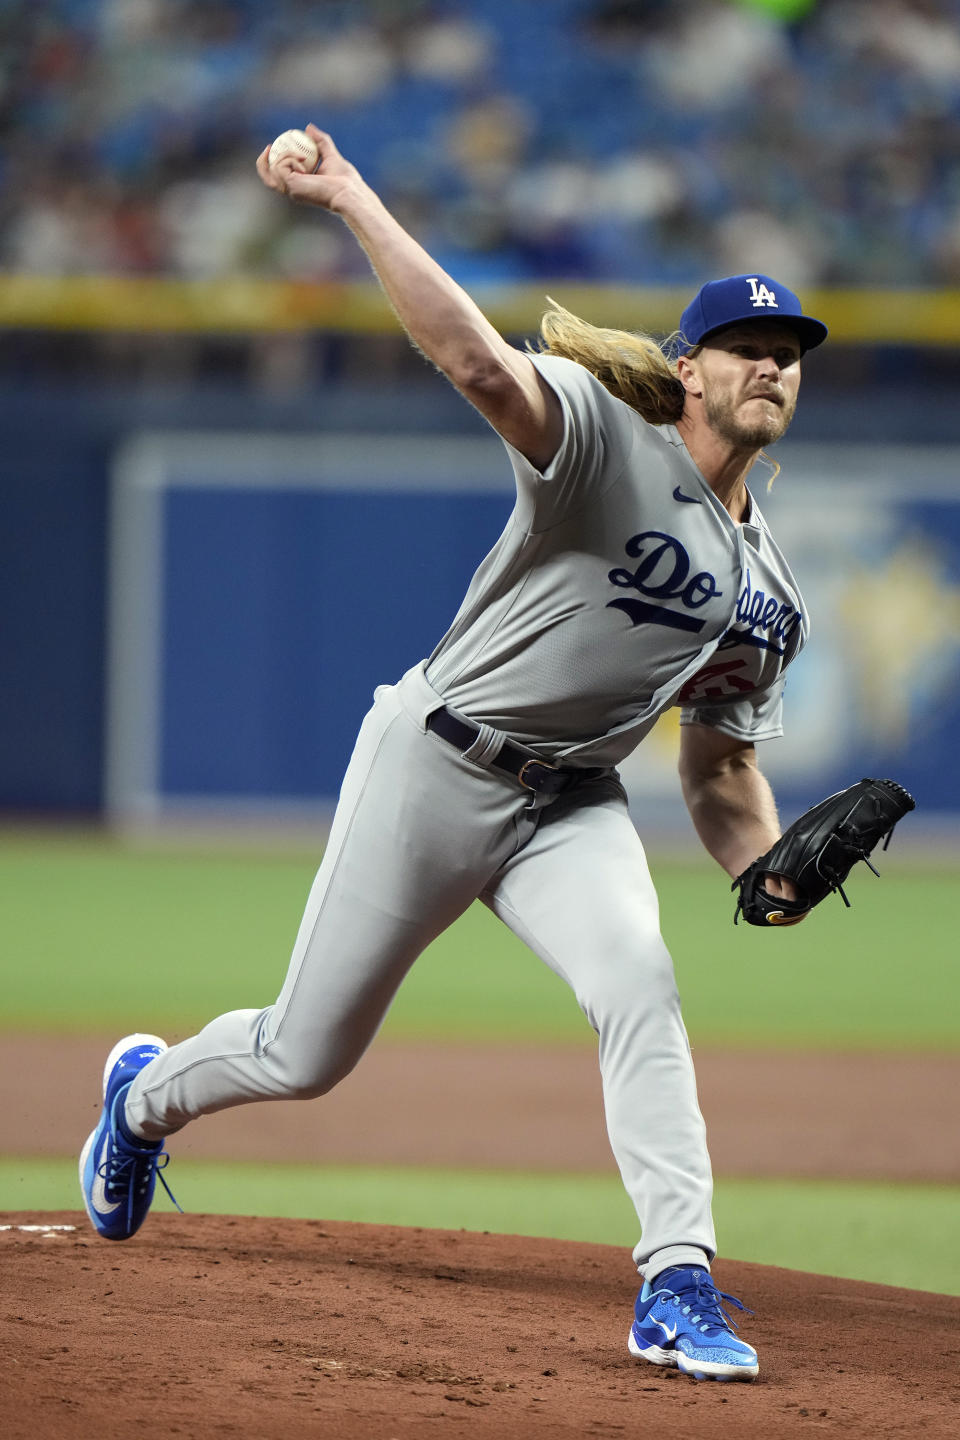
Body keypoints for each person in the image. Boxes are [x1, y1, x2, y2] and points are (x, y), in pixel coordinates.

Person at [80, 125, 828, 1383]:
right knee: (303, 1055)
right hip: (435, 761)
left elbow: (717, 773)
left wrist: (769, 869)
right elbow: (478, 361)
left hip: (572, 805)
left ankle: (678, 1280)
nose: (773, 368)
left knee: (640, 984)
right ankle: (144, 1097)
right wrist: (351, 195)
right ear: (688, 369)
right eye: (748, 350)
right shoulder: (603, 439)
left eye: (790, 355)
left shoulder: (771, 593)